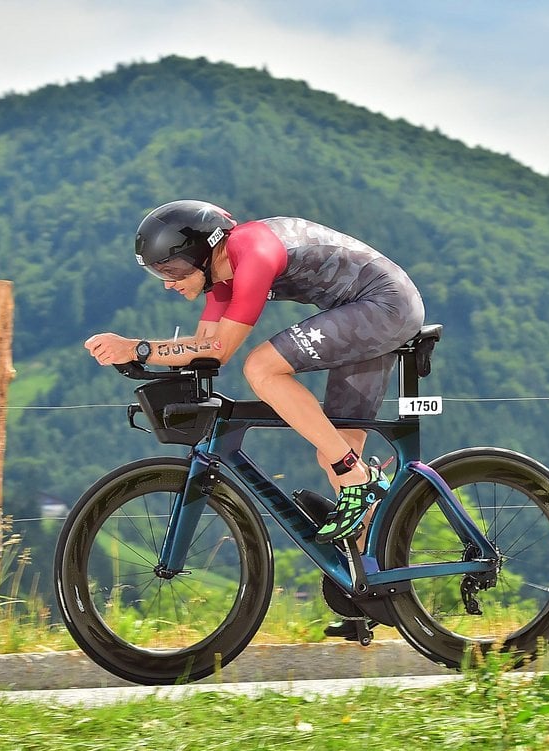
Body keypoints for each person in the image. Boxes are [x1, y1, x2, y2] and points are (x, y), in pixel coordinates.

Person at [84, 199, 425, 550]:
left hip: (385, 306)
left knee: (262, 368)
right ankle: (374, 571)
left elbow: (220, 350)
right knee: (333, 450)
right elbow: (204, 346)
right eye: (160, 272)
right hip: (364, 311)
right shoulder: (221, 276)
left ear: (204, 251)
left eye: (171, 269)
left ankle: (358, 477)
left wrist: (139, 349)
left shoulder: (254, 254)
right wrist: (142, 358)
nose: (168, 284)